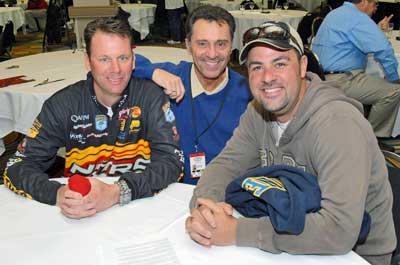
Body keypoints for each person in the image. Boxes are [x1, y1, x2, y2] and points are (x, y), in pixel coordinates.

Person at [185, 21, 396, 265]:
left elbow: (338, 230)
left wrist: (236, 232)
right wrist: (206, 208)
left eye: (280, 64)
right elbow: (226, 165)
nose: (267, 78)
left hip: (355, 255)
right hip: (291, 236)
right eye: (256, 67)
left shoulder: (337, 124)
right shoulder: (258, 112)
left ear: (302, 66)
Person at [2, 18, 183, 219]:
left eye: (123, 58)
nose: (116, 69)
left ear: (133, 61)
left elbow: (172, 161)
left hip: (140, 206)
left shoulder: (150, 97)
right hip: (81, 214)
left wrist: (118, 191)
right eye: (104, 59)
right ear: (88, 62)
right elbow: (17, 166)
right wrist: (57, 194)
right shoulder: (63, 104)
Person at [134, 5, 252, 185]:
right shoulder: (170, 77)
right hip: (170, 192)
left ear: (231, 46)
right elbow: (114, 65)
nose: (212, 54)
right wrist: (152, 72)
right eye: (202, 43)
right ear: (188, 45)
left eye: (221, 44)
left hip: (223, 196)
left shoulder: (248, 93)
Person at [312, 0, 400, 138]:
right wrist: (394, 78)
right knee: (393, 91)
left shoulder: (336, 13)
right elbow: (384, 50)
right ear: (364, 2)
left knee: (376, 81)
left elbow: (355, 36)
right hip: (341, 80)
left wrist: (375, 30)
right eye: (375, 4)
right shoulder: (358, 17)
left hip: (320, 76)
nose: (375, 9)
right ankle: (372, 139)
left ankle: (359, 130)